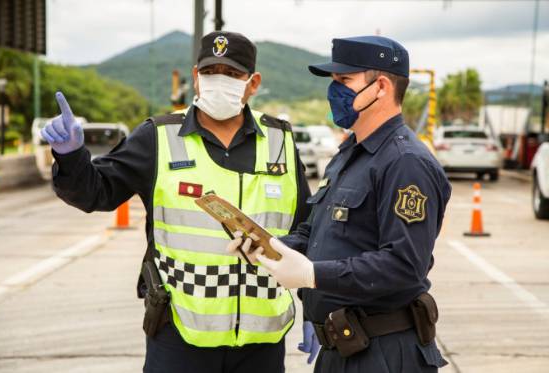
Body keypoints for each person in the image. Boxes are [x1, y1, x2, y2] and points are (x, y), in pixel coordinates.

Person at [41, 31, 312, 373]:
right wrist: (71, 158)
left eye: (231, 74)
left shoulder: (280, 141)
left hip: (262, 343)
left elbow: (308, 230)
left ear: (253, 82)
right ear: (196, 78)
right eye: (210, 73)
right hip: (179, 337)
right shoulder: (158, 136)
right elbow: (97, 191)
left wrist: (316, 307)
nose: (219, 82)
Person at [229, 35, 452, 372]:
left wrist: (313, 275)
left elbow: (404, 266)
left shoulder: (405, 162)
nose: (334, 91)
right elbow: (317, 231)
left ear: (380, 87)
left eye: (344, 81)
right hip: (342, 349)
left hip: (384, 353)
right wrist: (269, 247)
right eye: (333, 81)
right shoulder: (350, 155)